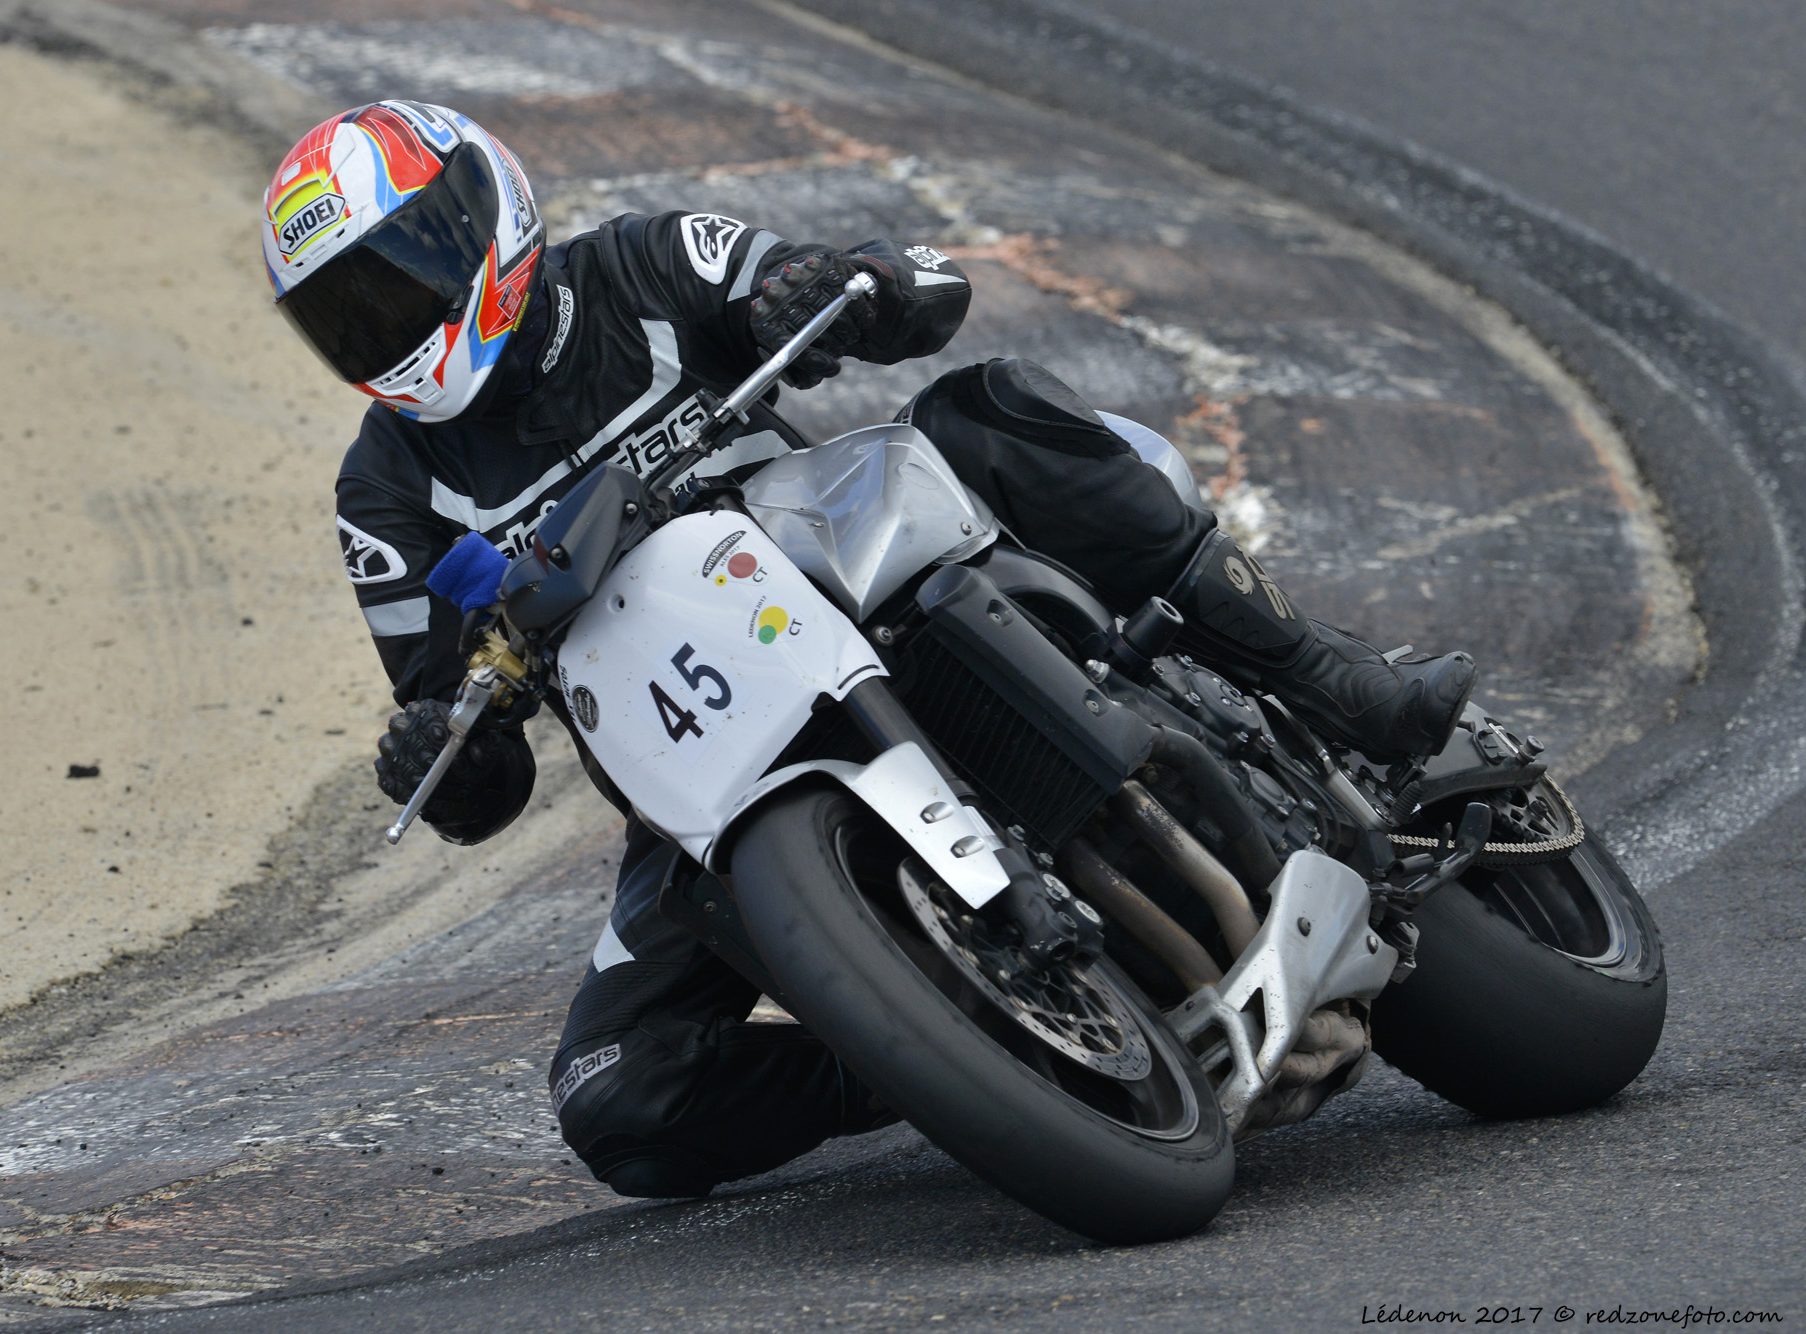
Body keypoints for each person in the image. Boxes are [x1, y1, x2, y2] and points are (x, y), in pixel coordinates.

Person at [263, 100, 1477, 1197]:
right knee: (615, 1093)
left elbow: (868, 290)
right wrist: (440, 755)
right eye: (346, 313)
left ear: (483, 216)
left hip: (846, 573)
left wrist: (840, 284)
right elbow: (469, 764)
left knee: (982, 408)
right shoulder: (384, 494)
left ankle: (1329, 678)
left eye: (400, 277)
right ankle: (968, 1046)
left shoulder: (637, 264)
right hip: (693, 752)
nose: (385, 323)